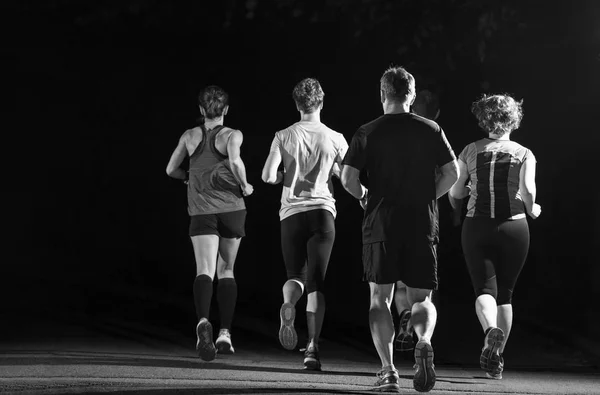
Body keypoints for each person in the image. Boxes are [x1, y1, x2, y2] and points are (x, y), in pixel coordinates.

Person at [341, 66, 458, 393]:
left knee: (380, 299)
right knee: (421, 297)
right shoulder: (431, 129)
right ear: (411, 94)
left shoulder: (367, 131)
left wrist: (365, 196)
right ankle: (423, 340)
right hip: (421, 222)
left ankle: (389, 371)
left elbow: (348, 178)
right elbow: (452, 172)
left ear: (383, 94)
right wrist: (427, 196)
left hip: (381, 222)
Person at [448, 94, 541, 380]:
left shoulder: (470, 150)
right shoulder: (525, 153)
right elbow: (527, 191)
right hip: (514, 227)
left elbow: (456, 190)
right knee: (506, 294)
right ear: (515, 119)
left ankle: (490, 331)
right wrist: (533, 208)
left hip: (477, 225)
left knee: (484, 290)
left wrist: (458, 200)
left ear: (484, 119)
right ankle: (496, 358)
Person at [261, 78, 348, 371]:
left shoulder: (283, 135)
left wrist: (285, 176)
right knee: (317, 284)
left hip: (291, 214)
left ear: (297, 105)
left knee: (295, 275)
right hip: (322, 213)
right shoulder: (335, 137)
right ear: (321, 102)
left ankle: (289, 305)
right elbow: (348, 177)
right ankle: (312, 347)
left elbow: (267, 176)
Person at [166, 85, 253, 361]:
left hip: (201, 211)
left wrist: (187, 178)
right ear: (225, 110)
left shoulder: (190, 136)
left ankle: (203, 321)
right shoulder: (232, 135)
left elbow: (170, 169)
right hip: (232, 209)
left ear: (201, 110)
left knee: (204, 270)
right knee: (227, 270)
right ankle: (224, 333)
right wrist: (245, 184)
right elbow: (236, 162)